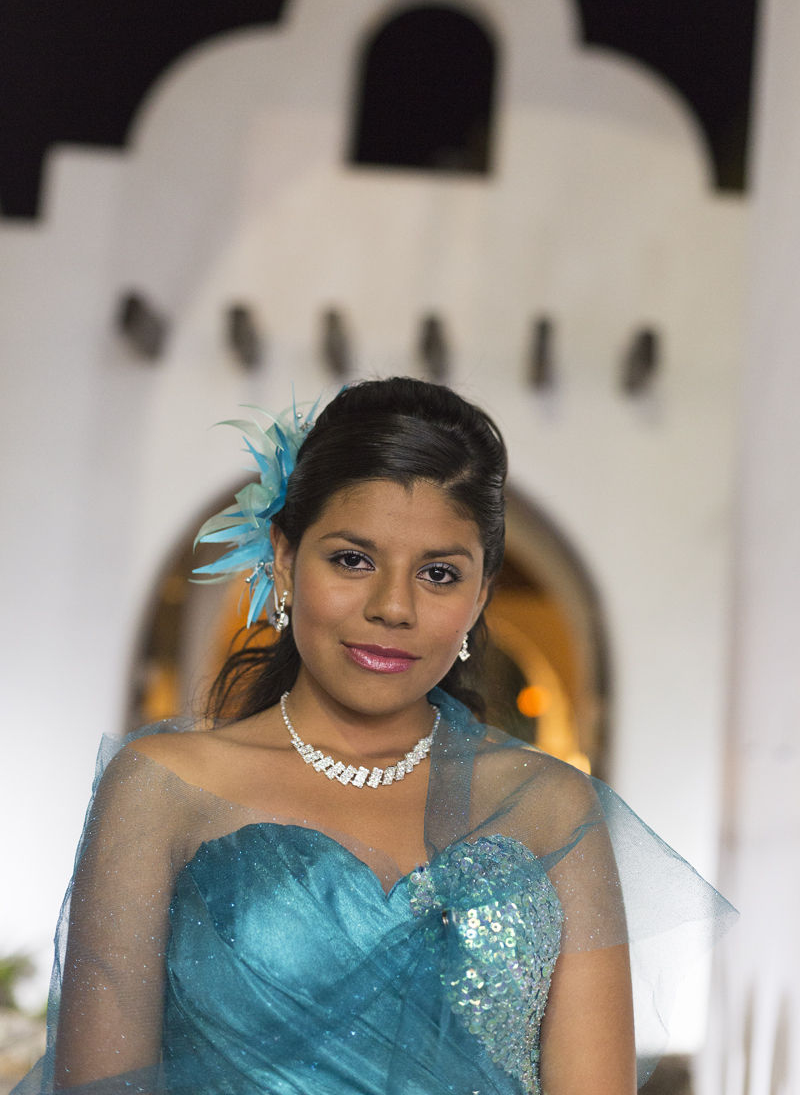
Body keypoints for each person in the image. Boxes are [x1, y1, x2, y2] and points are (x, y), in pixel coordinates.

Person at [14, 377, 735, 1095]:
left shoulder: (551, 810)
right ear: (287, 560)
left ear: (480, 595)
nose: (393, 606)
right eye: (352, 560)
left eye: (440, 574)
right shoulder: (163, 788)